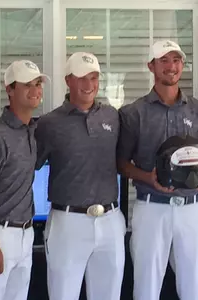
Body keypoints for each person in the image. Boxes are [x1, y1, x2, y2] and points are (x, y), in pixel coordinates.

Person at [117, 39, 198, 300]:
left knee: (194, 286)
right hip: (152, 207)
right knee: (147, 286)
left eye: (176, 60)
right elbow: (121, 164)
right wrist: (147, 177)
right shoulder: (133, 113)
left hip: (193, 209)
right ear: (151, 66)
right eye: (164, 60)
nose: (171, 66)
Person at [35, 52, 125, 300]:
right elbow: (28, 165)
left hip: (111, 219)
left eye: (94, 77)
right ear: (68, 80)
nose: (89, 85)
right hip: (67, 222)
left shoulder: (112, 117)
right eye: (82, 78)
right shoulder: (49, 123)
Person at [0, 60, 48, 300]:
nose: (35, 90)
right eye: (27, 85)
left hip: (25, 234)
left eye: (38, 84)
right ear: (10, 90)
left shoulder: (33, 132)